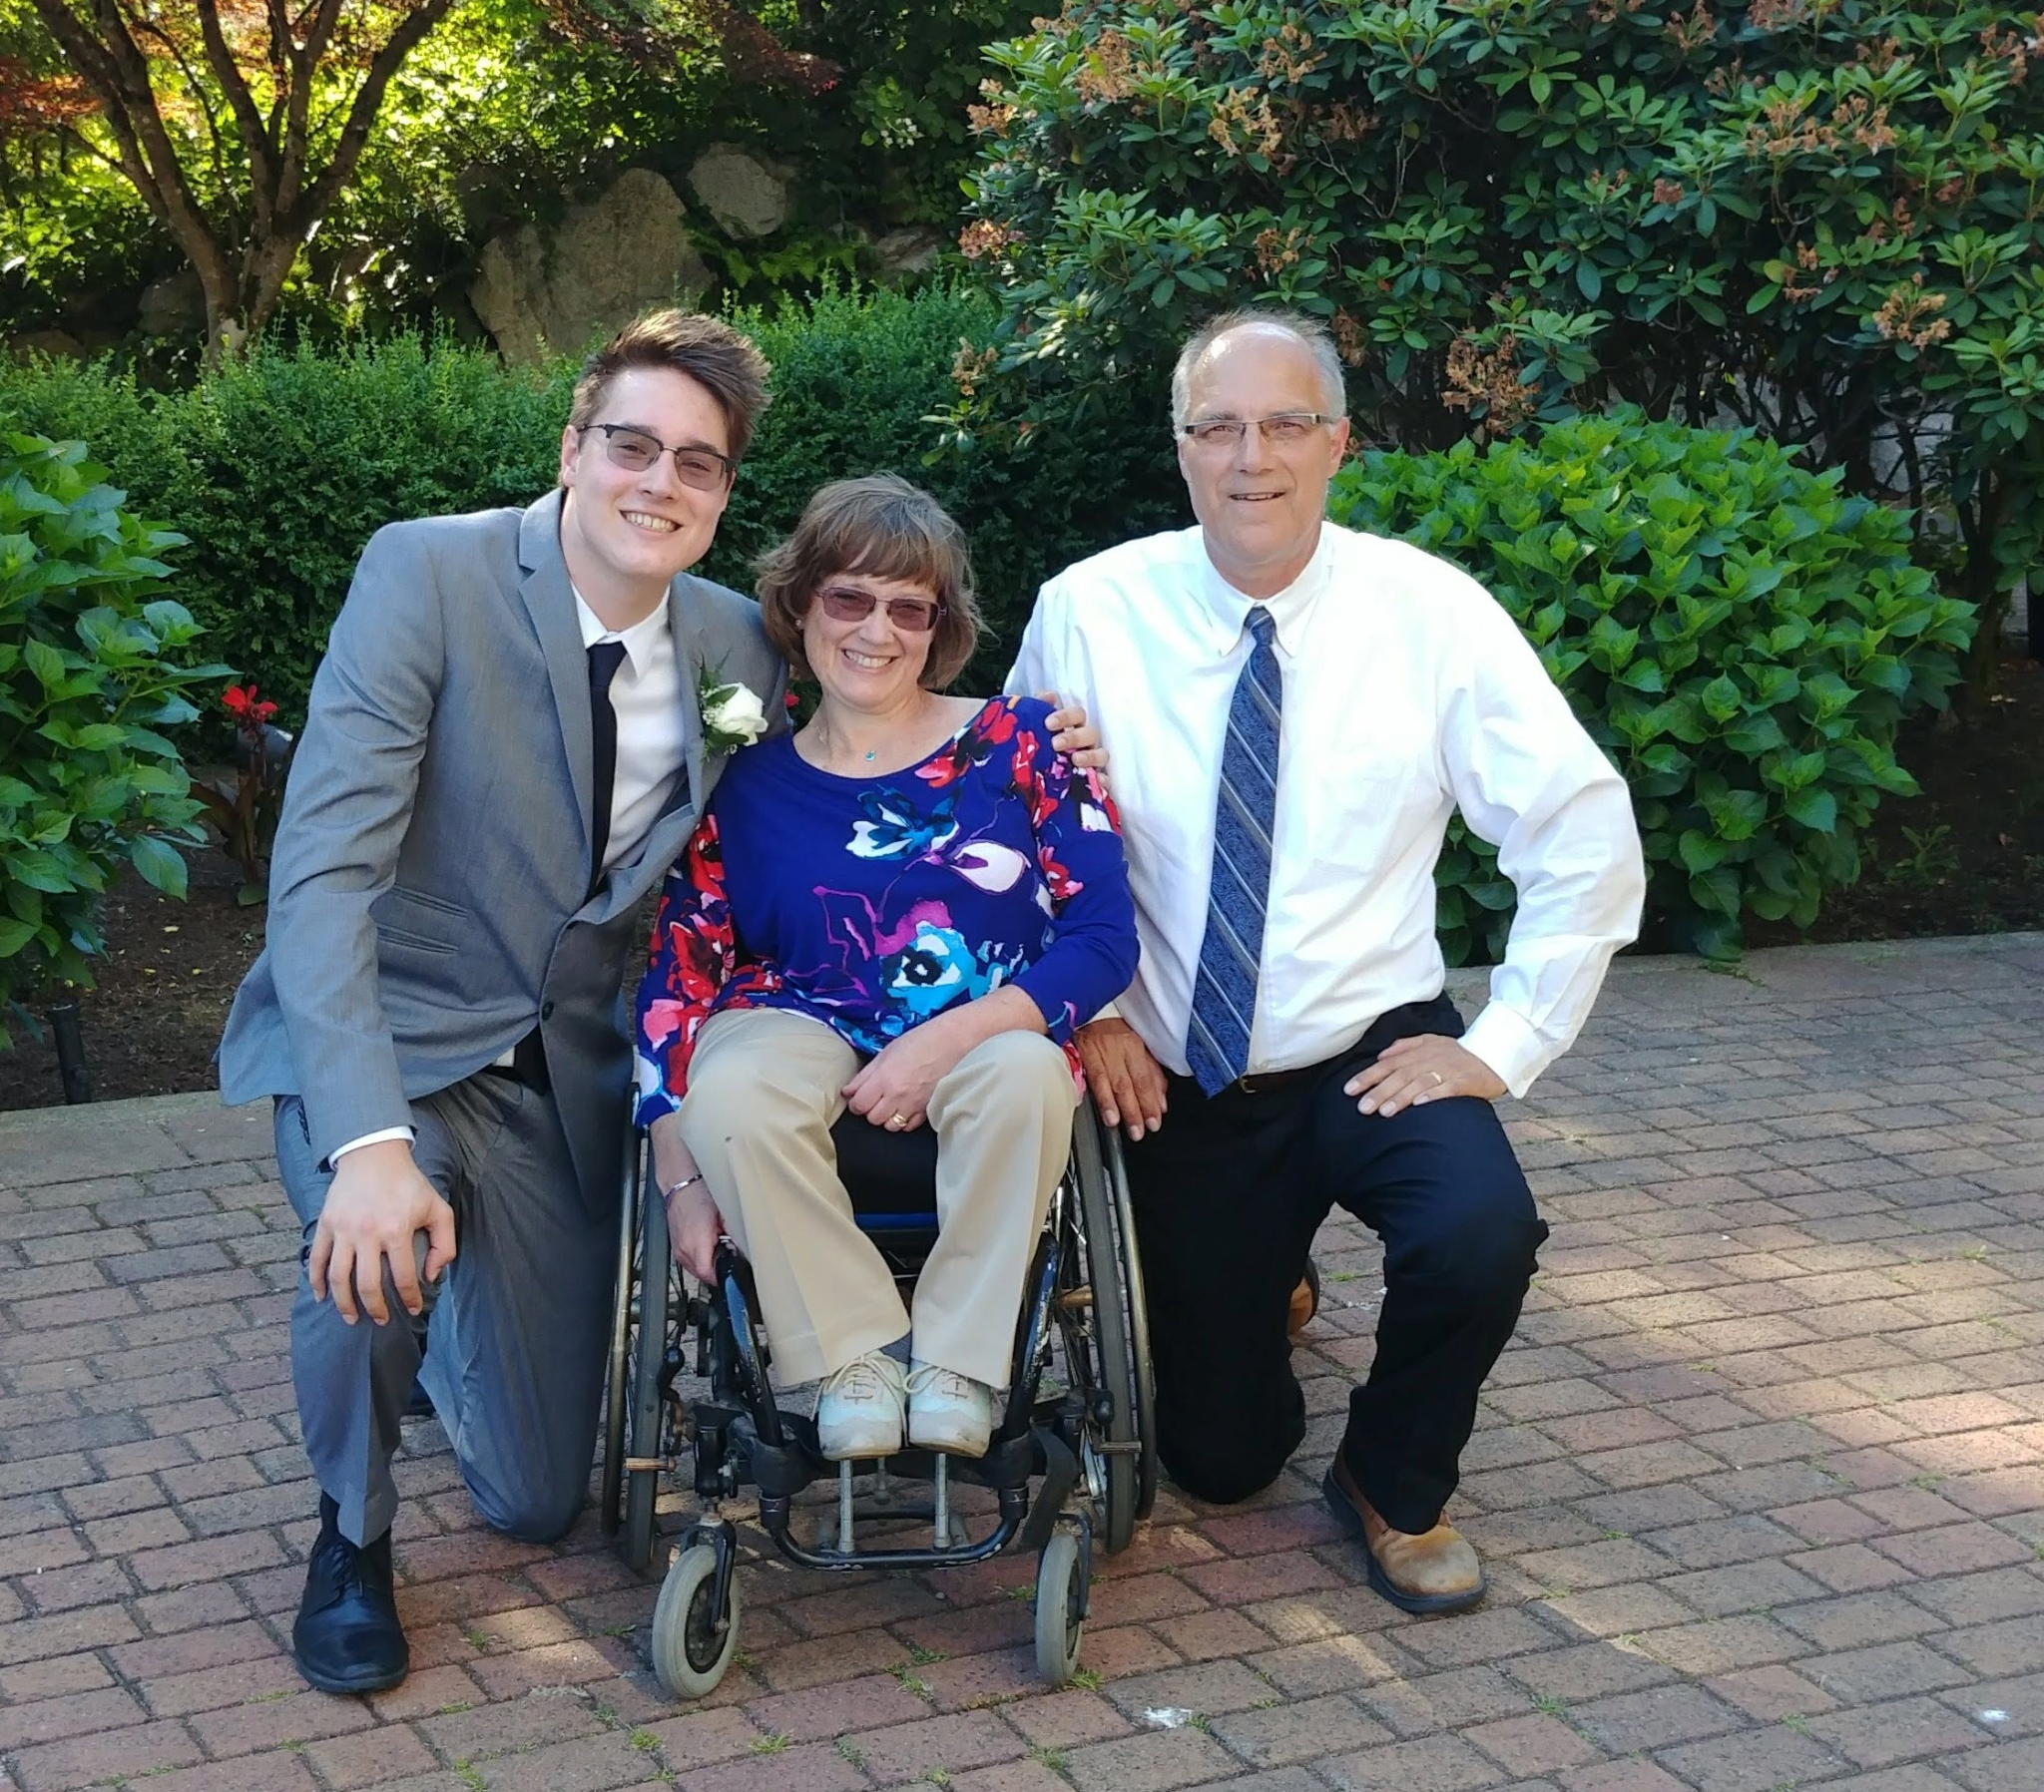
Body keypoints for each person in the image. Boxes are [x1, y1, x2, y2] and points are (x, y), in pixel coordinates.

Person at [217, 314, 1101, 1695]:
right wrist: (370, 1147)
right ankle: (352, 1536)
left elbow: (879, 744)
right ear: (574, 449)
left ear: (725, 492)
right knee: (374, 1252)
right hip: (400, 1034)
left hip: (562, 1075)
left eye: (698, 461)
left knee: (529, 1496)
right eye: (632, 444)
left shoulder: (739, 646)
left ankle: (456, 1321)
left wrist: (1048, 745)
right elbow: (323, 874)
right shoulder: (426, 573)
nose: (659, 480)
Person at [1008, 308, 1646, 1614]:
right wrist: (1087, 1017)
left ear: (1340, 442)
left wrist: (1501, 1043)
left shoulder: (1430, 617)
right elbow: (1015, 834)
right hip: (1172, 1069)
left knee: (1483, 1233)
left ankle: (1393, 1481)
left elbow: (1580, 825)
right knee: (1224, 1459)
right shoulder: (1089, 612)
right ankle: (1268, 1282)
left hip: (1368, 1047)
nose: (1254, 456)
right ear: (1182, 450)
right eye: (1219, 427)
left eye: (1287, 422)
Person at [636, 475, 1138, 1461]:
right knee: (727, 1087)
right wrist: (678, 1177)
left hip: (985, 1020)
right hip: (792, 1013)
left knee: (1027, 1072)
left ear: (938, 627)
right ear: (799, 604)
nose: (877, 629)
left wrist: (937, 1042)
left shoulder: (1025, 743)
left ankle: (957, 1361)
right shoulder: (741, 778)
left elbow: (1103, 938)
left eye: (909, 606)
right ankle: (853, 1355)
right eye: (848, 597)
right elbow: (678, 974)